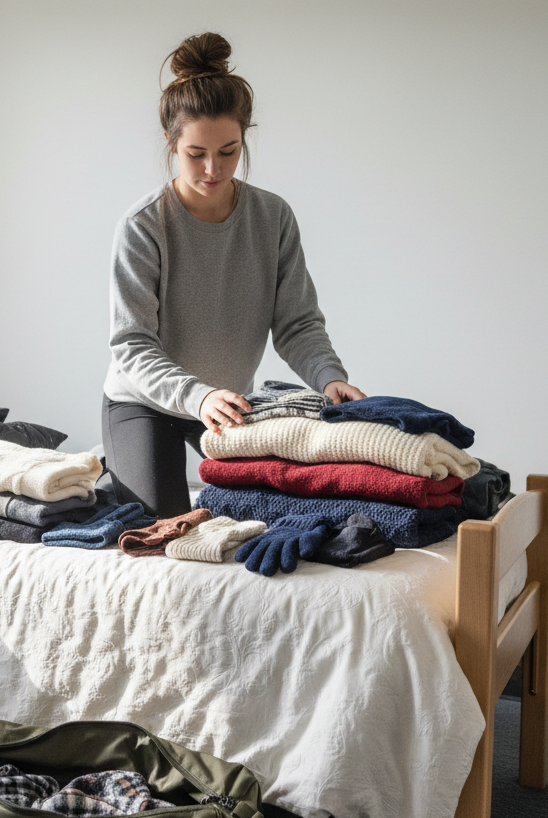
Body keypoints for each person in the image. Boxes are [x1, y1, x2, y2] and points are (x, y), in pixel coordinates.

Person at [101, 31, 366, 517]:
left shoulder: (273, 217)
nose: (212, 168)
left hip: (226, 408)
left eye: (228, 150)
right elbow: (132, 344)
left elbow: (296, 323)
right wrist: (197, 396)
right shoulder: (142, 227)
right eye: (195, 153)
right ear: (170, 143)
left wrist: (330, 379)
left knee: (289, 510)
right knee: (171, 530)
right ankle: (113, 481)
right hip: (146, 404)